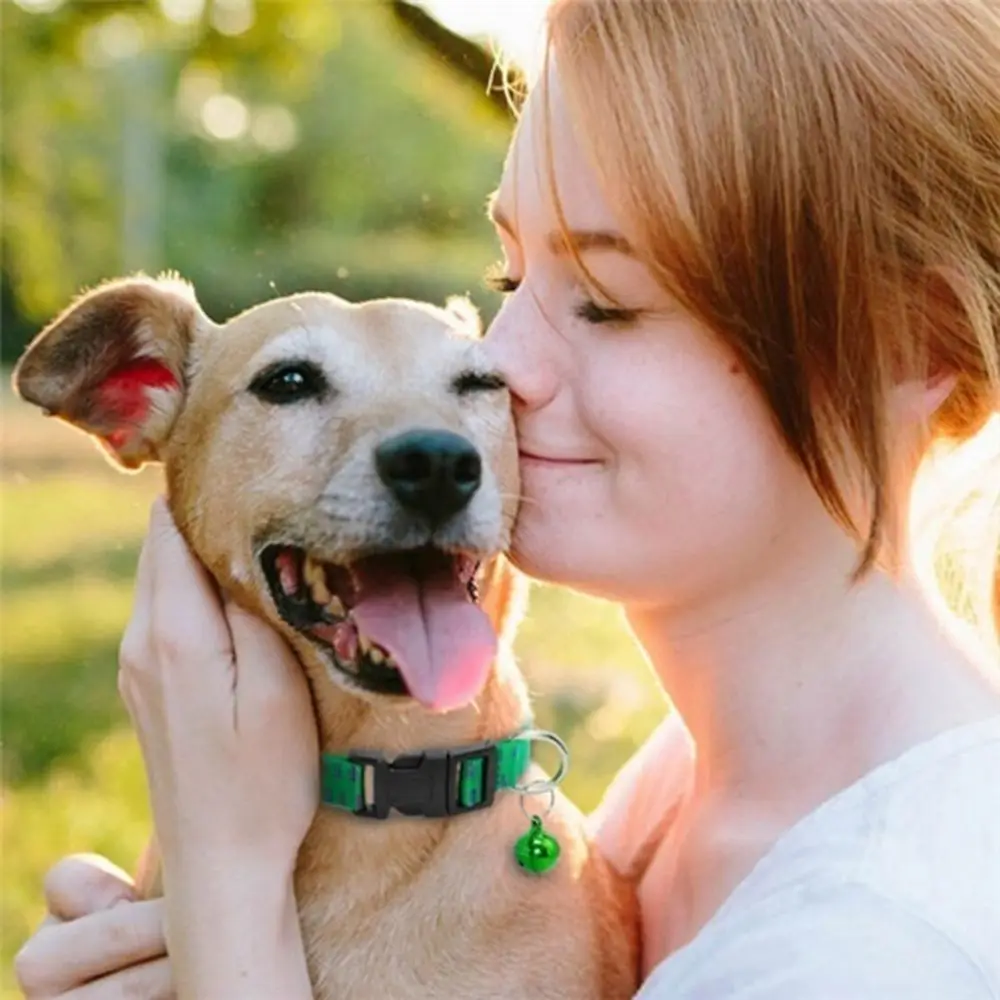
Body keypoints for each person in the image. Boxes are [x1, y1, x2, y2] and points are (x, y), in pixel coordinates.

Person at [15, 0, 1000, 997]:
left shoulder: (883, 947)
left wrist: (226, 910)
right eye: (511, 272)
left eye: (609, 303)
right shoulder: (696, 782)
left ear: (911, 344)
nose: (499, 362)